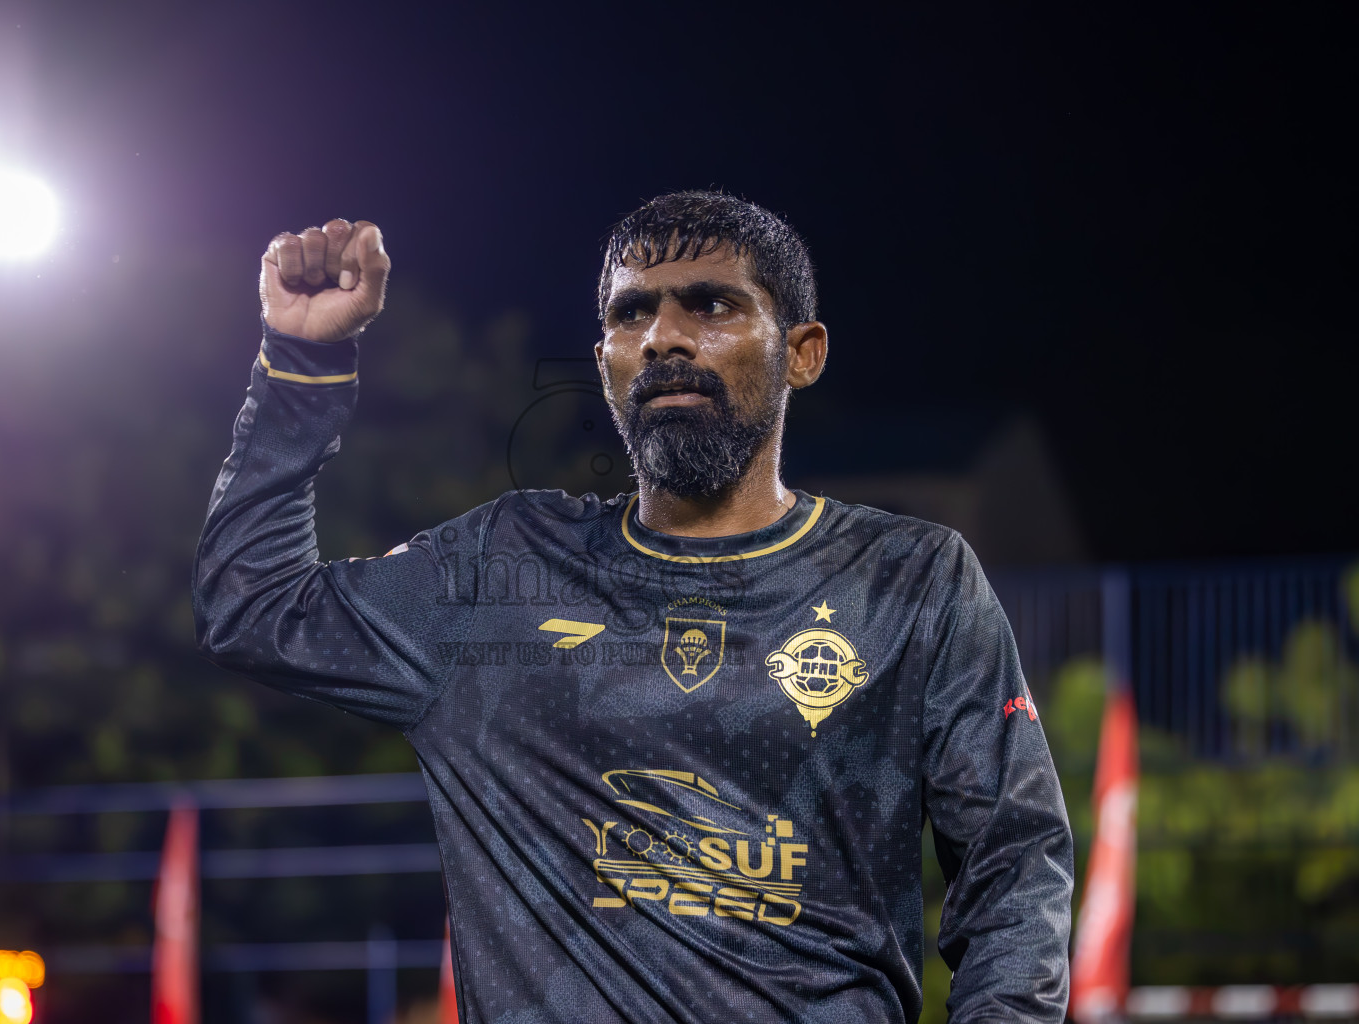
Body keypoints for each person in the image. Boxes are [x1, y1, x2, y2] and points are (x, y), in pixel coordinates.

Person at [193, 191, 1073, 1022]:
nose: (663, 338)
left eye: (712, 306)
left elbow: (1014, 864)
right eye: (630, 313)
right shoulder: (499, 569)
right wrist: (302, 363)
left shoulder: (910, 580)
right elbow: (255, 606)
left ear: (802, 351)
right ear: (605, 361)